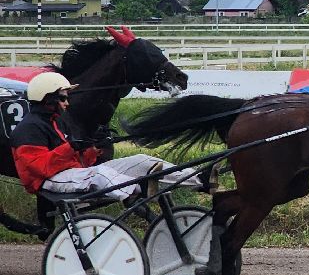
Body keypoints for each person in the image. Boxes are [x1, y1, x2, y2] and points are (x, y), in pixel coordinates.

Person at [8, 71, 197, 201]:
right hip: (48, 182)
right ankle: (142, 189)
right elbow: (40, 168)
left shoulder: (56, 122)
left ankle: (197, 179)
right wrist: (71, 147)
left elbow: (77, 161)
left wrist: (93, 149)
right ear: (47, 99)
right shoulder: (29, 129)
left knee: (141, 161)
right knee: (100, 174)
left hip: (71, 174)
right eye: (63, 98)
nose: (67, 103)